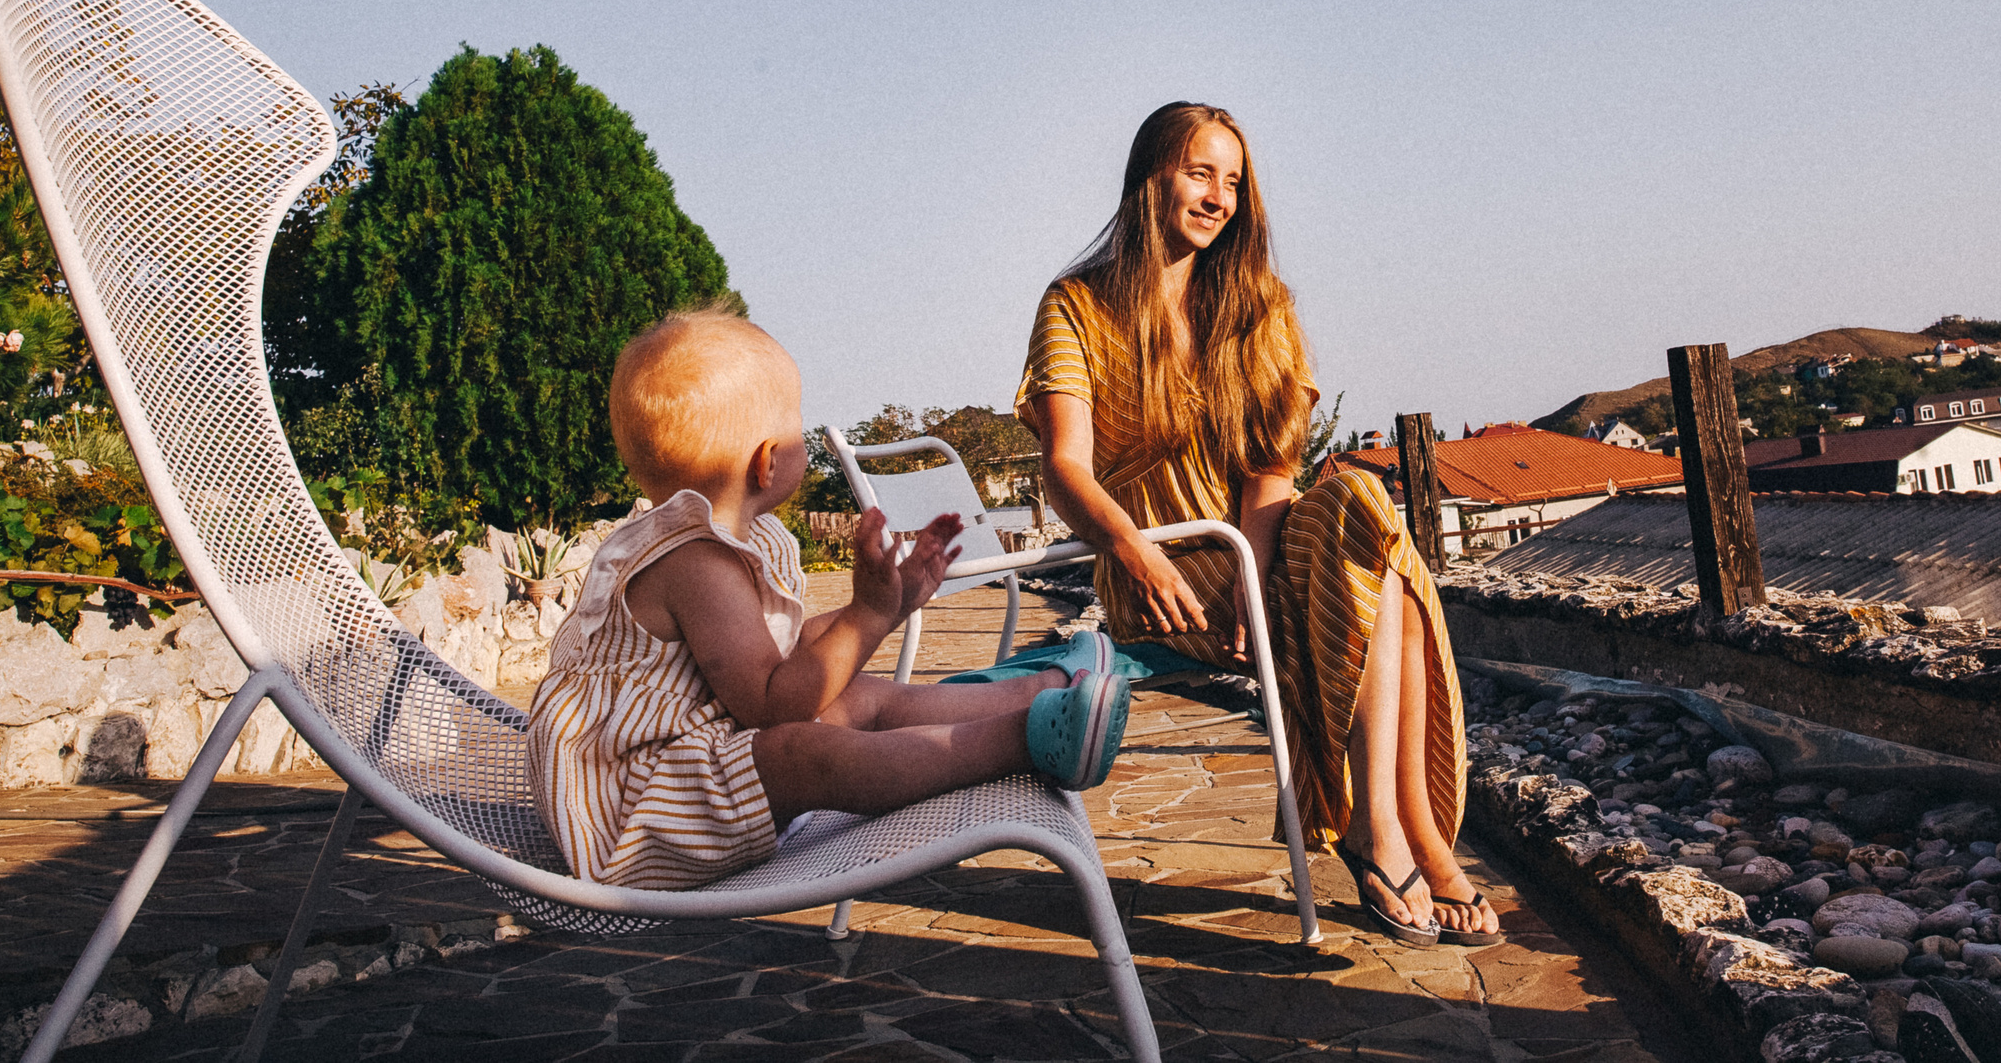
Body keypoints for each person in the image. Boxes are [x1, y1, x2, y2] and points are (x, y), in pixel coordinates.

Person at [1015, 103, 1496, 946]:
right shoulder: (1077, 305)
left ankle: (1393, 825)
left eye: (1232, 182)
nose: (1218, 197)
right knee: (1377, 583)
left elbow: (1272, 467)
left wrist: (1252, 578)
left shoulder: (1257, 303)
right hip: (1156, 563)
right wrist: (1132, 551)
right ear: (1150, 177)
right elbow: (1066, 466)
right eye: (1200, 173)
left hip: (1251, 543)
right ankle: (1403, 832)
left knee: (1365, 510)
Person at [529, 303, 1128, 889]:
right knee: (804, 749)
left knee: (860, 695)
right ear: (767, 461)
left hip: (691, 757)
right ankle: (1027, 739)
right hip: (644, 813)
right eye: (796, 423)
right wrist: (868, 613)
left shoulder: (718, 544)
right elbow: (773, 706)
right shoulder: (695, 562)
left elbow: (783, 656)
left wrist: (891, 606)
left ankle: (1049, 687)